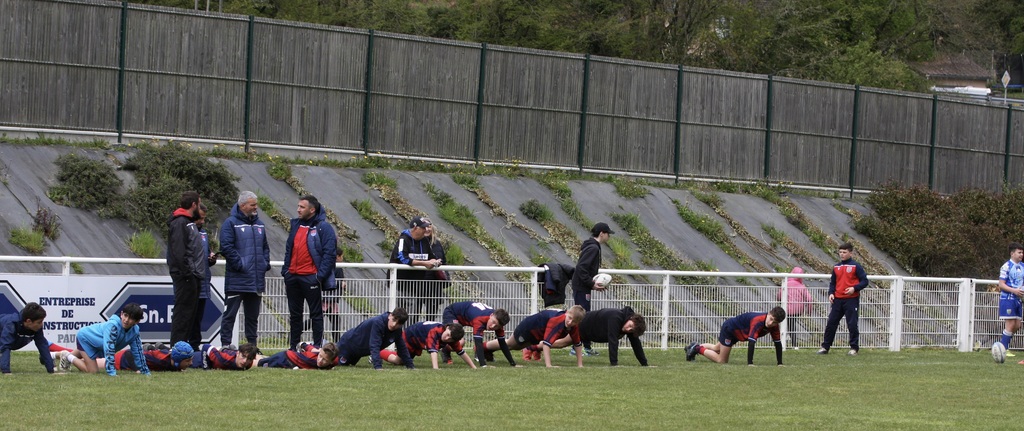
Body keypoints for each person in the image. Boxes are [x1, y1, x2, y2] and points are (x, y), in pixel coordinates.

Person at [281, 195, 337, 350]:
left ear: (312, 210)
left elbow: (329, 253)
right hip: (293, 276)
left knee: (316, 314)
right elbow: (289, 249)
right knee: (295, 315)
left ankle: (317, 347)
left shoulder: (323, 227)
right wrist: (286, 271)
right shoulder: (296, 225)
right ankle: (293, 348)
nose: (298, 210)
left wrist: (319, 276)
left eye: (302, 207)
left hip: (311, 277)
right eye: (298, 206)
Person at [220, 190, 271, 347]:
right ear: (242, 205)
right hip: (237, 280)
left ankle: (252, 348)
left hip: (256, 281)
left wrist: (264, 263)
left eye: (256, 204)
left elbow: (265, 247)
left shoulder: (259, 224)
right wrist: (240, 265)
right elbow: (226, 247)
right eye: (252, 204)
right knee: (230, 315)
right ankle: (226, 346)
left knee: (252, 317)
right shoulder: (230, 223)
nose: (256, 207)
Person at [59, 303, 150, 376]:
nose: (126, 320)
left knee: (84, 354)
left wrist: (145, 372)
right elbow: (109, 349)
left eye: (131, 318)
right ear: (121, 314)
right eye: (125, 315)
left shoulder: (135, 331)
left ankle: (58, 355)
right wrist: (111, 372)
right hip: (85, 338)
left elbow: (138, 352)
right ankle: (68, 356)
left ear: (137, 321)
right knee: (93, 371)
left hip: (97, 344)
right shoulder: (113, 326)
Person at [484, 305, 586, 368]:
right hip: (527, 328)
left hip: (536, 334)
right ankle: (483, 347)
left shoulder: (574, 326)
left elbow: (577, 344)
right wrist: (549, 365)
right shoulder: (557, 320)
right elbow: (546, 344)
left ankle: (487, 350)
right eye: (569, 318)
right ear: (567, 313)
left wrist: (580, 365)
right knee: (510, 345)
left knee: (516, 347)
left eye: (574, 321)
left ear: (578, 322)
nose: (570, 322)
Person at [685, 307, 786, 366]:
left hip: (737, 333)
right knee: (722, 361)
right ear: (768, 313)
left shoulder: (774, 327)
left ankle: (693, 346)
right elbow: (752, 342)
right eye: (771, 319)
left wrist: (780, 363)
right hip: (730, 330)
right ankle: (697, 348)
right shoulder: (758, 320)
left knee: (716, 348)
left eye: (774, 322)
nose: (771, 323)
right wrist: (750, 363)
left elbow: (777, 343)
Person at [166, 190, 204, 347]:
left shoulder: (189, 222)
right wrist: (188, 273)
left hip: (193, 275)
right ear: (194, 204)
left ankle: (184, 348)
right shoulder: (180, 223)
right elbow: (179, 251)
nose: (200, 207)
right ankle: (177, 348)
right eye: (199, 204)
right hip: (186, 276)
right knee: (182, 314)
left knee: (189, 315)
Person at [817, 242, 869, 356]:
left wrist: (854, 288)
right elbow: (833, 283)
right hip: (837, 300)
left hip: (851, 300)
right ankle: (825, 347)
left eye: (844, 252)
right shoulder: (836, 267)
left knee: (852, 324)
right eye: (840, 252)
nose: (842, 254)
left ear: (851, 253)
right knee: (831, 323)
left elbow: (865, 281)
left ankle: (854, 348)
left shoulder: (856, 266)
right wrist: (831, 293)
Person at [570, 222, 613, 356]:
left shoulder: (592, 246)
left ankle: (586, 346)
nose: (609, 236)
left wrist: (591, 284)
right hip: (581, 286)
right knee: (581, 316)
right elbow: (581, 268)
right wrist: (591, 283)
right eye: (608, 234)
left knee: (585, 316)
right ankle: (576, 348)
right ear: (601, 233)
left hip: (583, 286)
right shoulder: (593, 248)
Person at [389, 216, 440, 322]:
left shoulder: (425, 241)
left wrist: (435, 261)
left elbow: (431, 256)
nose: (426, 230)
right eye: (423, 227)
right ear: (415, 228)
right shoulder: (403, 239)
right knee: (398, 315)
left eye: (427, 227)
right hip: (399, 285)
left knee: (412, 316)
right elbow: (402, 258)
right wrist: (424, 263)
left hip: (415, 285)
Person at [335, 308, 415, 370]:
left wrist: (410, 366)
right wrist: (378, 366)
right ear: (390, 316)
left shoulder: (397, 331)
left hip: (359, 352)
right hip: (348, 345)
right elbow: (374, 345)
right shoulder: (378, 323)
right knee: (334, 363)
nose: (394, 325)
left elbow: (402, 347)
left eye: (398, 324)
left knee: (348, 366)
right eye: (393, 320)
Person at [440, 301, 515, 367]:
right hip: (452, 313)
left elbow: (502, 343)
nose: (492, 326)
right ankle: (445, 350)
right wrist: (483, 365)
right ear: (491, 315)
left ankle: (445, 349)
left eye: (497, 326)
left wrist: (512, 363)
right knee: (460, 341)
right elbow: (478, 343)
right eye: (493, 322)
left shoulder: (498, 321)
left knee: (459, 341)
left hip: (463, 317)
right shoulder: (479, 319)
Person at [381, 322, 476, 369]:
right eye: (447, 335)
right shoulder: (435, 331)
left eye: (450, 339)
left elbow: (461, 352)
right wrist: (436, 369)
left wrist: (473, 367)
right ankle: (377, 351)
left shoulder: (452, 335)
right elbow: (433, 352)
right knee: (398, 361)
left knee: (403, 361)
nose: (447, 339)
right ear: (447, 327)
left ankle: (381, 352)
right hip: (409, 337)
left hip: (417, 341)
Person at [575, 306, 649, 366]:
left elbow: (636, 344)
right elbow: (613, 340)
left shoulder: (628, 322)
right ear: (631, 318)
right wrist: (614, 363)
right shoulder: (616, 317)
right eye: (630, 325)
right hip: (580, 325)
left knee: (567, 342)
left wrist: (644, 364)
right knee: (567, 341)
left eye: (631, 330)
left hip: (586, 334)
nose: (628, 329)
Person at [191, 203, 218, 349]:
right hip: (190, 282)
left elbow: (205, 256)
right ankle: (186, 347)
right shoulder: (186, 231)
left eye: (204, 218)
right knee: (189, 318)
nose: (202, 221)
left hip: (203, 282)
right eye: (200, 218)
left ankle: (195, 347)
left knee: (198, 318)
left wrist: (211, 259)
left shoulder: (204, 233)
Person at [0, 302, 54, 375]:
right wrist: (6, 371)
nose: (41, 325)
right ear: (28, 321)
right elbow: (5, 346)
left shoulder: (36, 328)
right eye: (39, 322)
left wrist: (51, 370)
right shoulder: (11, 324)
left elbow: (42, 345)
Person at [993, 242, 1024, 363]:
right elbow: (1001, 284)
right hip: (1008, 298)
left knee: (1017, 325)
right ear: (1012, 253)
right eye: (1019, 252)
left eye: (1022, 252)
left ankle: (1000, 346)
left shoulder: (1023, 266)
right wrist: (1014, 291)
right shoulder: (1006, 266)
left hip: (1018, 299)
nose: (1021, 254)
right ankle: (1003, 349)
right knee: (1010, 324)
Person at [89, 341, 194, 372]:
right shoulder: (159, 360)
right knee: (90, 363)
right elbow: (129, 353)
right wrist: (137, 370)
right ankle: (77, 357)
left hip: (127, 358)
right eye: (188, 360)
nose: (191, 363)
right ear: (177, 359)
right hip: (122, 360)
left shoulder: (170, 359)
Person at [422, 224, 450, 320]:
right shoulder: (416, 243)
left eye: (429, 227)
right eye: (424, 227)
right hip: (419, 282)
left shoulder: (437, 244)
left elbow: (443, 261)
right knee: (415, 311)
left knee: (432, 313)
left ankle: (430, 328)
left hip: (434, 284)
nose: (427, 229)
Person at [256, 342, 339, 370]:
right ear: (320, 351)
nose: (320, 361)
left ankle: (260, 356)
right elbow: (303, 345)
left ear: (331, 361)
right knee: (259, 364)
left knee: (266, 359)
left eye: (324, 360)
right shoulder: (312, 357)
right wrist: (307, 347)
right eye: (320, 356)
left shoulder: (334, 360)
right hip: (286, 358)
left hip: (291, 359)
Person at [189, 343, 260, 371]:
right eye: (243, 356)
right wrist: (206, 369)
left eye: (249, 359)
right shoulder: (224, 358)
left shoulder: (248, 364)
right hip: (195, 359)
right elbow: (206, 347)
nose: (245, 361)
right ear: (238, 353)